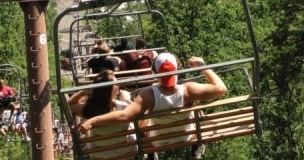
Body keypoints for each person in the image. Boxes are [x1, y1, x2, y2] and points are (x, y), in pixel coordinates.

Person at [75, 54, 226, 158]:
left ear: (155, 73)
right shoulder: (189, 89)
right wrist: (203, 66)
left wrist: (93, 121)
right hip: (186, 136)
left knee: (141, 119)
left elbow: (125, 115)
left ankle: (152, 154)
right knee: (196, 111)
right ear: (177, 70)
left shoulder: (148, 95)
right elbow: (221, 89)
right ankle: (196, 146)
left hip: (157, 141)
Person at [68, 70, 133, 158]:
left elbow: (70, 104)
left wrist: (84, 92)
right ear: (115, 89)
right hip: (125, 153)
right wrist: (127, 99)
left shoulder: (89, 110)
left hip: (99, 154)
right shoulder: (125, 106)